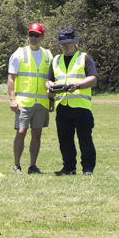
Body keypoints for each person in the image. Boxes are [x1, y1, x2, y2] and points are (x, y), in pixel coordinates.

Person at [47, 28, 99, 176]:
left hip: (81, 106)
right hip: (62, 105)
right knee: (65, 139)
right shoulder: (56, 60)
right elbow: (49, 79)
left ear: (75, 42)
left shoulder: (84, 58)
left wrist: (77, 85)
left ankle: (88, 168)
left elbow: (93, 79)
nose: (65, 46)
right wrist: (49, 87)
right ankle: (68, 168)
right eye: (63, 44)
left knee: (85, 138)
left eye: (68, 43)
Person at [6, 23, 53, 174]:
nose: (33, 38)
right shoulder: (19, 53)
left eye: (36, 35)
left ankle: (33, 166)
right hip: (23, 102)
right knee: (21, 132)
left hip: (42, 102)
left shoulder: (48, 55)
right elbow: (11, 77)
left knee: (37, 133)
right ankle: (16, 165)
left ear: (42, 37)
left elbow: (51, 79)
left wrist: (52, 100)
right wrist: (12, 99)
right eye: (31, 35)